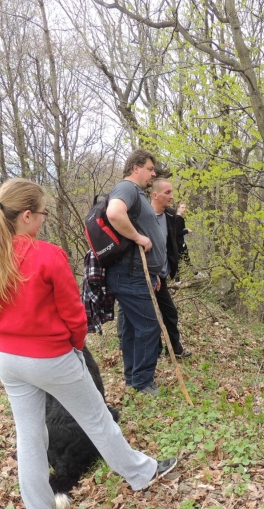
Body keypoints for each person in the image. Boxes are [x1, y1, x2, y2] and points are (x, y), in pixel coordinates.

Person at [0, 178, 176, 509]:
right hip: (52, 357)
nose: (43, 221)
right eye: (42, 214)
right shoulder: (47, 255)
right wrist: (74, 345)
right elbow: (74, 313)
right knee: (97, 418)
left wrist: (13, 340)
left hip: (10, 361)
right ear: (26, 215)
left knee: (30, 437)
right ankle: (144, 473)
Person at [104, 149, 166, 395]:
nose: (153, 174)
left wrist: (155, 273)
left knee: (132, 326)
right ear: (135, 168)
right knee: (149, 327)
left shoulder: (135, 192)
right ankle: (142, 382)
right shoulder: (127, 188)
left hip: (137, 273)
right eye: (150, 169)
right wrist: (138, 237)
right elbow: (114, 213)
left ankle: (133, 377)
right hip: (130, 274)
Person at [149, 178, 192, 360]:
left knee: (169, 313)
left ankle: (174, 350)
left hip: (163, 276)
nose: (172, 197)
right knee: (151, 316)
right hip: (147, 275)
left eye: (172, 192)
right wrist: (152, 273)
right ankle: (156, 352)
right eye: (167, 193)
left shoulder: (171, 217)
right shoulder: (144, 217)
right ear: (155, 195)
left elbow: (172, 241)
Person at [174, 202, 192, 267]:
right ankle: (195, 273)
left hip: (177, 243)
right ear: (178, 208)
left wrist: (184, 229)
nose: (184, 209)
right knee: (186, 259)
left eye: (185, 208)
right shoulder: (179, 219)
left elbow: (178, 229)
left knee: (181, 260)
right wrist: (187, 231)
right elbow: (177, 232)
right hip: (180, 243)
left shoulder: (175, 217)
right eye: (182, 207)